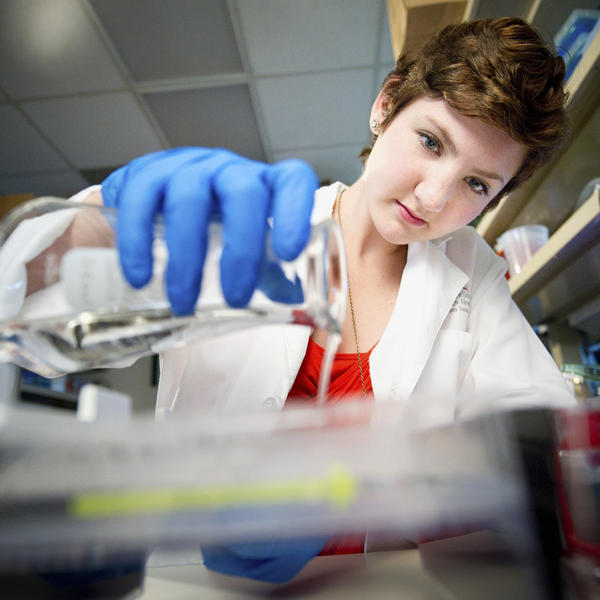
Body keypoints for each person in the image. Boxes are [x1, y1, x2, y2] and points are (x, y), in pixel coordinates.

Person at [85, 17, 574, 582]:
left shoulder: (471, 276)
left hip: (367, 589)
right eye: (431, 141)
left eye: (477, 184)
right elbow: (32, 320)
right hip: (199, 580)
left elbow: (544, 442)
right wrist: (94, 233)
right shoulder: (252, 227)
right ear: (386, 104)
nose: (435, 195)